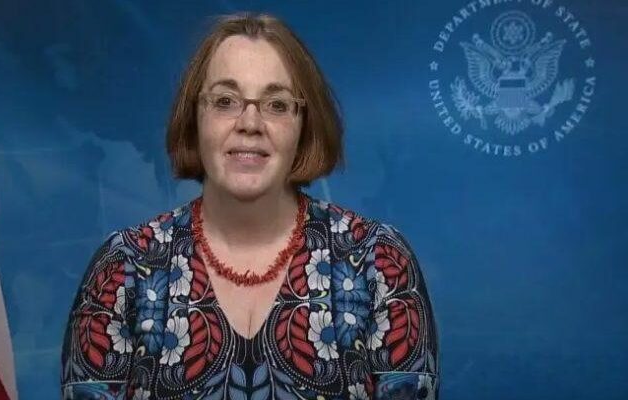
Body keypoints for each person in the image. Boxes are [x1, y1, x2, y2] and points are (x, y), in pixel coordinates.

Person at [61, 13, 439, 400]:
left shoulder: (379, 262)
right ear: (194, 118)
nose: (250, 123)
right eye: (225, 101)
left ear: (304, 125)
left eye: (276, 105)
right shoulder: (123, 269)